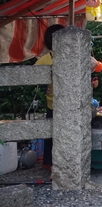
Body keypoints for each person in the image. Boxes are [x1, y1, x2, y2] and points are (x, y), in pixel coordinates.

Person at [34, 24, 66, 172]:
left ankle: (51, 163)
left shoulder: (44, 60)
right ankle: (65, 164)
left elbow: (32, 75)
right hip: (68, 104)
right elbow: (92, 64)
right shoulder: (71, 56)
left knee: (51, 134)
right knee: (65, 135)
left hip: (52, 103)